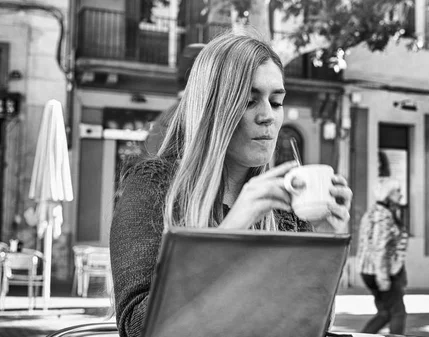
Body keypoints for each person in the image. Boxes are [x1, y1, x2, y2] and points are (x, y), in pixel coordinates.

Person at [109, 30, 353, 337]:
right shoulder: (152, 187)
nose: (269, 117)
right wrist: (230, 234)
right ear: (212, 110)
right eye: (250, 101)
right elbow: (136, 328)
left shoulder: (285, 205)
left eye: (276, 102)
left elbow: (309, 322)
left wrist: (324, 244)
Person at [357, 177, 409, 335]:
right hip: (381, 271)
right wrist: (383, 277)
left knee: (385, 313)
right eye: (397, 191)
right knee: (398, 313)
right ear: (387, 194)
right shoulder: (383, 216)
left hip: (370, 270)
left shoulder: (373, 212)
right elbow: (380, 249)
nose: (401, 195)